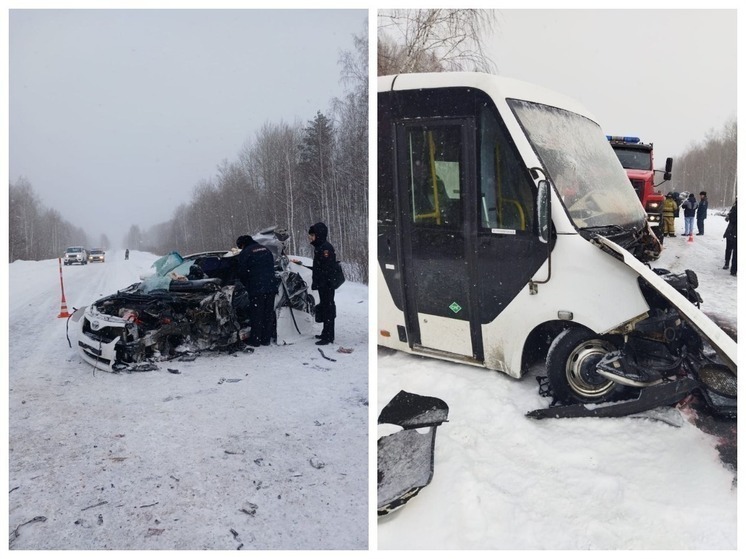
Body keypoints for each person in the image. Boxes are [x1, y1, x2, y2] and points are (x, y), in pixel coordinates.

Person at [292, 222, 337, 345]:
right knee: (324, 307)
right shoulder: (320, 247)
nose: (310, 238)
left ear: (318, 235)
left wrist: (322, 281)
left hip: (327, 285)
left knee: (328, 309)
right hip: (324, 284)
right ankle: (325, 333)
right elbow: (319, 267)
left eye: (312, 235)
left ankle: (328, 337)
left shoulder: (325, 248)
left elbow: (327, 268)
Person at [236, 235, 277, 347]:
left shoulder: (246, 253)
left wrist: (246, 285)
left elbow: (242, 272)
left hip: (257, 288)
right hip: (271, 287)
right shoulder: (265, 249)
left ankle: (256, 340)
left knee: (257, 315)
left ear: (242, 244)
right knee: (267, 314)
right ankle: (266, 339)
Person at [723, 199, 737, 276]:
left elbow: (731, 217)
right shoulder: (734, 207)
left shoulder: (735, 207)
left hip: (732, 232)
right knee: (731, 249)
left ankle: (730, 266)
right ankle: (728, 264)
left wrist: (729, 216)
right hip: (732, 232)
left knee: (730, 249)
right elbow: (730, 217)